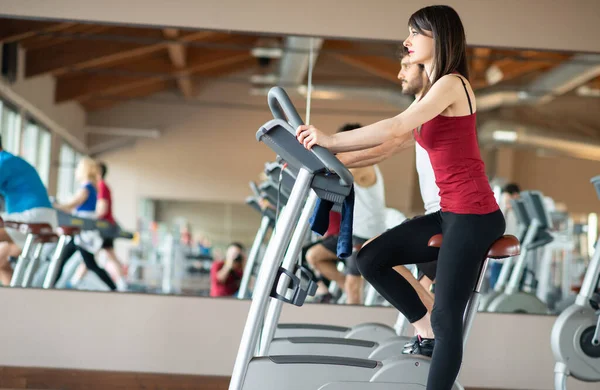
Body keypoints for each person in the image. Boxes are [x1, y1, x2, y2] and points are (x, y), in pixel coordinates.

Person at [296, 5, 506, 389]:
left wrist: (330, 139)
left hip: (474, 215)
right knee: (371, 257)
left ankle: (435, 342)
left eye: (415, 33)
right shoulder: (431, 92)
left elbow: (394, 126)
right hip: (448, 213)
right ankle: (425, 332)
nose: (406, 41)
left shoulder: (452, 84)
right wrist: (330, 158)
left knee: (448, 319)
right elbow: (391, 142)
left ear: (439, 38)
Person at [339, 48, 439, 354]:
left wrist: (329, 146)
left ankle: (434, 339)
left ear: (428, 70)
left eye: (406, 66)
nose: (399, 74)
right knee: (420, 296)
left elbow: (391, 138)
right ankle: (431, 337)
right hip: (436, 215)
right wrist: (328, 153)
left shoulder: (434, 108)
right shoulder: (424, 111)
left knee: (372, 258)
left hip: (454, 217)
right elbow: (385, 147)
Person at [0, 135, 58, 285]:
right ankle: (16, 302)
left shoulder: (4, 160)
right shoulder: (13, 160)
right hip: (41, 216)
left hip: (32, 216)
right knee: (1, 261)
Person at [53, 157, 117, 291]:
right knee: (68, 260)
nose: (76, 171)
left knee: (85, 263)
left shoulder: (86, 188)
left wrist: (53, 205)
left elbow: (70, 206)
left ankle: (49, 285)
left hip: (82, 233)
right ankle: (50, 285)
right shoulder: (93, 187)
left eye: (77, 169)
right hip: (81, 232)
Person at [70, 162, 128, 291]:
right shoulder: (102, 186)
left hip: (103, 227)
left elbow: (102, 209)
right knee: (98, 256)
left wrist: (89, 221)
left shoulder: (100, 185)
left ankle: (120, 284)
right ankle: (75, 281)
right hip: (105, 226)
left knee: (94, 256)